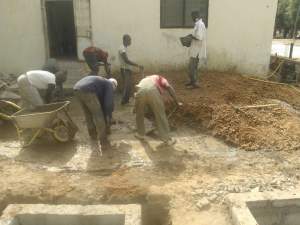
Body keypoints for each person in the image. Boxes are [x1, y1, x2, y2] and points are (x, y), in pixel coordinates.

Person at [134, 75, 182, 146]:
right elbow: (169, 87)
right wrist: (177, 102)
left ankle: (140, 134)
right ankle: (167, 139)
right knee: (160, 114)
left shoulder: (145, 79)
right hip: (152, 90)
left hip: (139, 90)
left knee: (139, 113)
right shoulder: (161, 78)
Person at [73, 76, 118, 149]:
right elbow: (108, 104)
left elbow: (101, 102)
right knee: (98, 115)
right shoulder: (109, 84)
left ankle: (92, 134)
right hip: (88, 90)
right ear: (114, 85)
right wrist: (108, 115)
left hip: (77, 89)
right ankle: (103, 141)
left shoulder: (101, 83)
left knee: (88, 114)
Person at [118, 34, 143, 105]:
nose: (130, 41)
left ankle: (126, 100)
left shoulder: (125, 48)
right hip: (125, 70)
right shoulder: (122, 49)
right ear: (125, 40)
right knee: (127, 86)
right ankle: (123, 102)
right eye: (129, 40)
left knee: (128, 86)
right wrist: (137, 65)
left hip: (127, 69)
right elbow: (126, 60)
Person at [186, 11, 207, 89]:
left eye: (192, 16)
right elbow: (197, 36)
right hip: (195, 49)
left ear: (195, 16)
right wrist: (190, 37)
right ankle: (192, 81)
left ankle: (194, 84)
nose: (191, 18)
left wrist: (191, 37)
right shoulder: (198, 24)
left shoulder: (200, 25)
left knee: (192, 67)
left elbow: (199, 37)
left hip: (197, 50)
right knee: (192, 67)